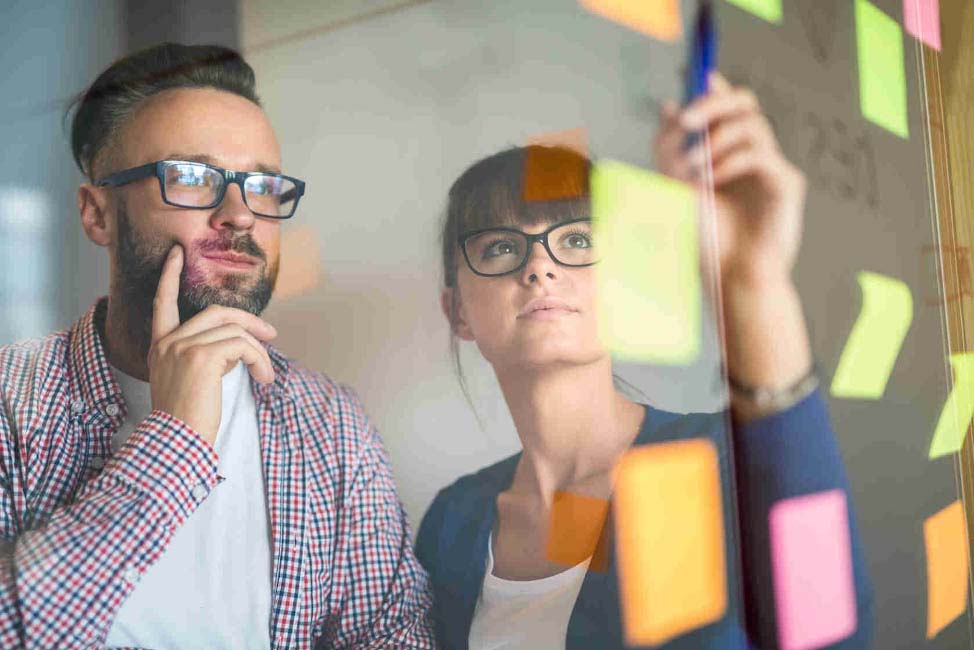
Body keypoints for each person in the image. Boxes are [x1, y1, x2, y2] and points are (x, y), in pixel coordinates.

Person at [415, 72, 873, 648]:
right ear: (457, 312)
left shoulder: (720, 465)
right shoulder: (452, 521)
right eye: (500, 247)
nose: (540, 267)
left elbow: (834, 635)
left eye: (578, 239)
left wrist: (755, 284)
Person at [0, 43, 434, 649]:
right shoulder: (10, 403)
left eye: (262, 185)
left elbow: (390, 635)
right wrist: (175, 439)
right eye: (191, 178)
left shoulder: (330, 423)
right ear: (97, 214)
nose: (240, 214)